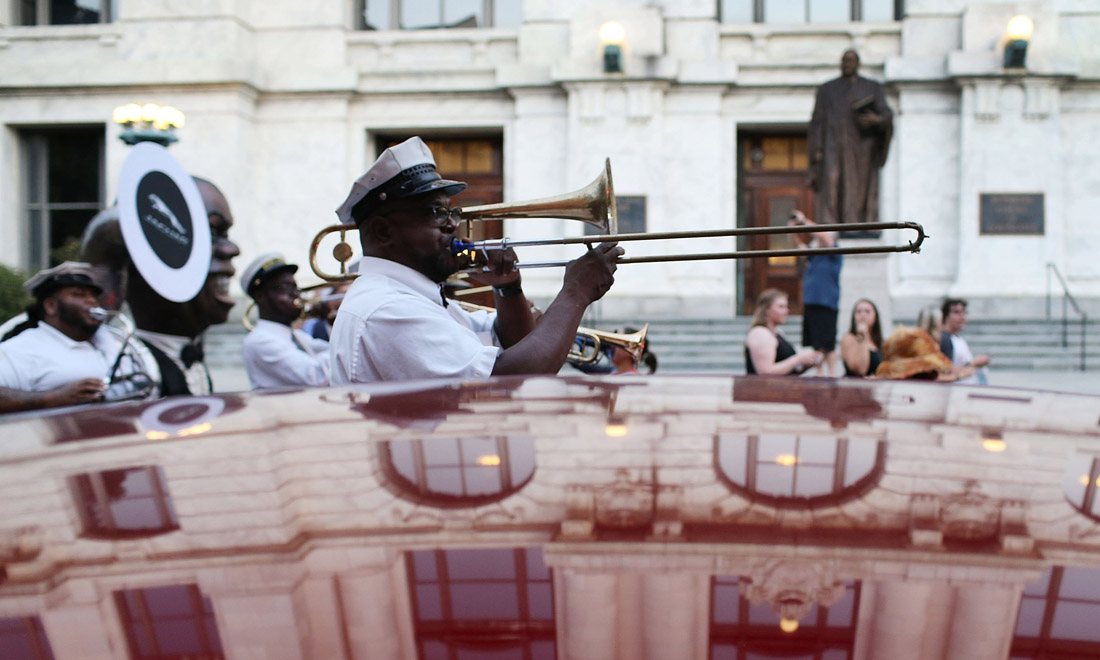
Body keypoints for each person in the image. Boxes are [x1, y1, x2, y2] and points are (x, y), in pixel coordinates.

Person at [329, 136, 622, 384]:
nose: (451, 224)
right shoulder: (387, 307)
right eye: (434, 213)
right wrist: (575, 292)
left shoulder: (416, 298)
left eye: (450, 212)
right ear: (383, 231)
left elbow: (517, 343)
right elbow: (509, 378)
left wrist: (508, 288)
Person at [80, 177, 241, 395]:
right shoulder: (119, 366)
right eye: (211, 232)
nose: (232, 249)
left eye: (225, 234)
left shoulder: (189, 354)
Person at [0, 263, 151, 413]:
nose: (92, 301)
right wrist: (52, 398)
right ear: (51, 306)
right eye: (79, 294)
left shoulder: (111, 343)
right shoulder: (21, 349)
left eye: (93, 296)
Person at [808, 50, 893, 232]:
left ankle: (859, 225)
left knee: (860, 189)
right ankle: (830, 228)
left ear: (858, 64)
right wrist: (817, 149)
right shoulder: (827, 90)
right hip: (833, 145)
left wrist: (875, 120)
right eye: (845, 60)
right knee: (831, 183)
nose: (847, 64)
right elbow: (817, 122)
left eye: (851, 60)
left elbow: (886, 115)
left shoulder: (871, 88)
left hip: (861, 147)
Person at [240, 252, 330, 389]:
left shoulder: (297, 336)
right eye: (285, 288)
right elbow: (315, 376)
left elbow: (333, 351)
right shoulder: (260, 341)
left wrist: (331, 321)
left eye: (295, 287)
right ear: (260, 297)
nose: (296, 294)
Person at [790, 209, 841, 376]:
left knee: (828, 344)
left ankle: (831, 374)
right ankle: (818, 373)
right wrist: (792, 230)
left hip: (826, 303)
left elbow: (824, 237)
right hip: (811, 302)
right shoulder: (815, 255)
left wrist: (804, 220)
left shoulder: (834, 252)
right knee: (815, 344)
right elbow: (799, 247)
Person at [744, 288, 821, 376]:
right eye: (781, 307)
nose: (786, 311)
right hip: (767, 389)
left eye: (786, 306)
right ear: (766, 309)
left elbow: (787, 372)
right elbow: (765, 372)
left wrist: (806, 364)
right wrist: (798, 359)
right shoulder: (760, 333)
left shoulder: (777, 333)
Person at [940, 298, 990, 385]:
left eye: (964, 312)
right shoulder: (945, 339)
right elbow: (944, 372)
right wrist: (974, 363)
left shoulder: (958, 338)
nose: (962, 317)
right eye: (956, 312)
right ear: (946, 316)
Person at [839, 298, 883, 377]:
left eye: (867, 311)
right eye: (859, 312)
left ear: (875, 316)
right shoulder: (848, 338)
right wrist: (863, 337)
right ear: (854, 317)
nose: (863, 315)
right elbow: (860, 370)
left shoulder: (878, 342)